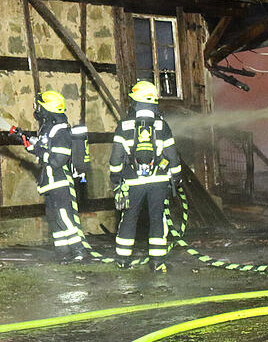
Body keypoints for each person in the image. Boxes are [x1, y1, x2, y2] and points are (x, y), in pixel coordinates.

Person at [12, 90, 101, 263]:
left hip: (60, 182)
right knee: (54, 219)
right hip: (50, 183)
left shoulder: (61, 131)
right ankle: (63, 253)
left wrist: (37, 149)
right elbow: (43, 148)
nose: (38, 109)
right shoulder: (49, 129)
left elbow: (57, 160)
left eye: (41, 106)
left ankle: (79, 250)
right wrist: (26, 139)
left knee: (64, 217)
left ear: (47, 108)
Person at [108, 81, 182, 273]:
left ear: (134, 101)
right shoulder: (162, 125)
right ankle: (157, 262)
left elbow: (116, 157)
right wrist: (176, 177)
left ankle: (123, 260)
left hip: (133, 182)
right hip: (158, 182)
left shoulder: (123, 126)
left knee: (129, 218)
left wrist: (116, 178)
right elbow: (172, 156)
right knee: (157, 219)